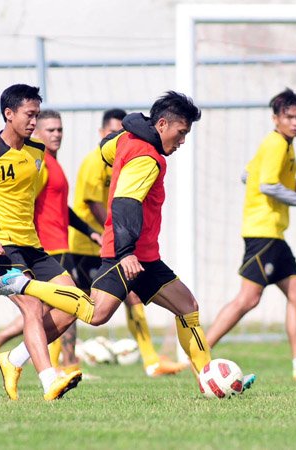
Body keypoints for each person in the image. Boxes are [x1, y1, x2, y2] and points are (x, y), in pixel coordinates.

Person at [0, 91, 255, 392]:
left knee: (187, 306)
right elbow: (125, 202)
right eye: (181, 133)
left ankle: (209, 380)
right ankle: (21, 285)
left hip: (145, 255)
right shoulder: (147, 159)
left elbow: (104, 149)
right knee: (94, 314)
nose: (182, 141)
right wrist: (125, 252)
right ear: (162, 124)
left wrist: (133, 125)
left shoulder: (126, 139)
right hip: (127, 255)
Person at [0, 84, 82, 401]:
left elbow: (32, 198)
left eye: (37, 114)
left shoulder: (38, 154)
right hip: (2, 247)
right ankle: (49, 380)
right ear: (8, 114)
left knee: (71, 303)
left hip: (34, 248)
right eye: (29, 114)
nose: (34, 121)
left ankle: (13, 359)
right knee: (33, 307)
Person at [205, 88, 296, 381]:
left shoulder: (283, 145)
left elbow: (247, 176)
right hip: (262, 232)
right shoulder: (276, 143)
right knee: (248, 299)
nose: (295, 122)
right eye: (288, 117)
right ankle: (200, 353)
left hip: (274, 233)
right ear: (275, 118)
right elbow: (265, 186)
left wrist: (290, 184)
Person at [0, 109, 101, 378]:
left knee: (57, 305)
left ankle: (2, 346)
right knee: (47, 306)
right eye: (50, 130)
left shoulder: (47, 161)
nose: (56, 135)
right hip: (43, 243)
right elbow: (22, 201)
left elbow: (60, 209)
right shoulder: (32, 162)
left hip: (47, 245)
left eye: (60, 130)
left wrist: (89, 231)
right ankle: (60, 365)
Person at [68, 108, 186, 377]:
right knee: (85, 309)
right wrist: (118, 239)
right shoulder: (93, 162)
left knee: (130, 297)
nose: (117, 138)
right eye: (110, 133)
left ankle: (150, 360)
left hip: (116, 243)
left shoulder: (133, 150)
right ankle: (59, 363)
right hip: (85, 244)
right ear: (102, 134)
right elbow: (99, 203)